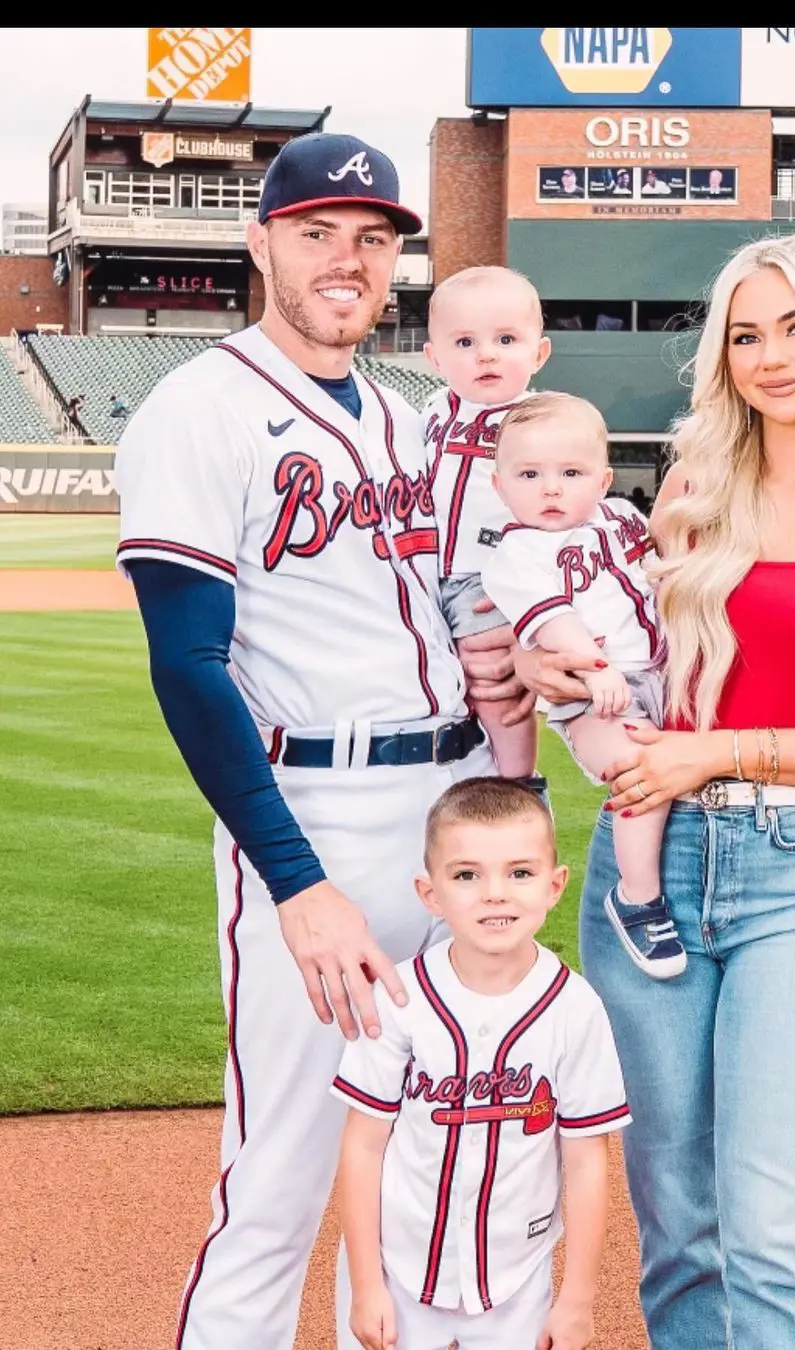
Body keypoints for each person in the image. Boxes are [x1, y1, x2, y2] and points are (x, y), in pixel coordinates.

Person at [115, 132, 528, 1350]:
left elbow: (451, 597)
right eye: (317, 233)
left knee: (422, 1179)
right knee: (283, 1181)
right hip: (322, 818)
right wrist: (296, 885)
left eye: (373, 236)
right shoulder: (203, 408)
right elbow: (188, 664)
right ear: (262, 244)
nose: (348, 260)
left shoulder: (405, 422)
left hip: (452, 804)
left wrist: (505, 674)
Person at [516, 234, 795, 1348]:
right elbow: (626, 661)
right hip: (650, 868)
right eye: (746, 334)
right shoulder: (692, 493)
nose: (772, 357)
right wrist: (550, 663)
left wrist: (719, 754)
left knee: (768, 1232)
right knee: (680, 1235)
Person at [335, 777, 630, 1350]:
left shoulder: (575, 1008)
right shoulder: (401, 998)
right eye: (467, 875)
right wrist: (365, 1286)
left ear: (554, 885)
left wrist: (578, 1300)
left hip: (517, 1282)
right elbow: (361, 1146)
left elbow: (588, 1160)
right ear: (430, 893)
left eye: (520, 873)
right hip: (398, 1274)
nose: (495, 893)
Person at [482, 393, 686, 980]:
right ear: (500, 487)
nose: (550, 489)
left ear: (603, 479)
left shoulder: (621, 518)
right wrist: (599, 672)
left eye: (569, 474)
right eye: (529, 474)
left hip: (659, 675)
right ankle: (639, 898)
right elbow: (554, 624)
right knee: (639, 775)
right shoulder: (516, 553)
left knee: (678, 763)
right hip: (588, 696)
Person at [422, 266, 550, 783]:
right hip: (425, 575)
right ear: (434, 358)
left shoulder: (540, 420)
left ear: (538, 353)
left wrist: (534, 583)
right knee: (440, 689)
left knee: (495, 689)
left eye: (505, 339)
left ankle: (520, 785)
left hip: (492, 581)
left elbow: (571, 508)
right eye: (465, 341)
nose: (487, 354)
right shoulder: (430, 411)